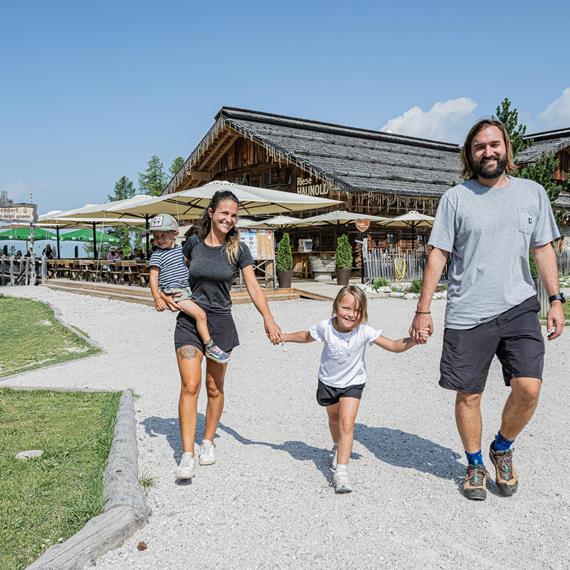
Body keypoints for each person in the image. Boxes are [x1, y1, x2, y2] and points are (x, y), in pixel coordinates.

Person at [409, 118, 565, 501]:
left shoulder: (533, 193)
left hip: (519, 307)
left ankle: (502, 447)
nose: (488, 151)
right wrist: (423, 309)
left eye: (495, 144)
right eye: (480, 146)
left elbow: (543, 248)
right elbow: (438, 254)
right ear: (470, 154)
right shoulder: (456, 199)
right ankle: (475, 463)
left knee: (529, 388)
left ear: (506, 149)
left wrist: (556, 299)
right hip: (468, 312)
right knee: (469, 395)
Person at [159, 191, 283, 481]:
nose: (229, 218)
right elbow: (171, 268)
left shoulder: (237, 249)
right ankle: (187, 454)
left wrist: (268, 318)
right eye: (224, 212)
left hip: (221, 323)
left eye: (234, 215)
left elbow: (253, 286)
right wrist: (162, 292)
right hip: (189, 321)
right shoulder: (192, 243)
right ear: (212, 212)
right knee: (191, 385)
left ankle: (208, 441)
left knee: (214, 388)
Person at [283, 285, 421, 494]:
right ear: (336, 306)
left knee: (347, 423)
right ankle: (338, 446)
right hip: (328, 382)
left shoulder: (364, 331)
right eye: (346, 308)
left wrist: (414, 341)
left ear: (363, 313)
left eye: (357, 311)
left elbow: (393, 345)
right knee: (334, 420)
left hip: (353, 383)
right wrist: (284, 337)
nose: (351, 314)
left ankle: (342, 472)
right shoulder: (325, 327)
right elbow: (305, 336)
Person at [148, 213, 230, 364]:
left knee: (200, 312)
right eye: (156, 236)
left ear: (175, 233)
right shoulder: (157, 255)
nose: (159, 240)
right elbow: (153, 278)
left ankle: (202, 338)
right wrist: (157, 298)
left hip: (187, 290)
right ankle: (210, 346)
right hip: (176, 292)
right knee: (200, 315)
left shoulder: (181, 250)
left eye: (163, 235)